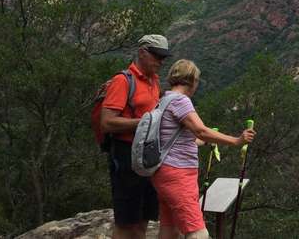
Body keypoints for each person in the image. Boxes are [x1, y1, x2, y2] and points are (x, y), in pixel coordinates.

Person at [154, 59, 255, 239]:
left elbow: (185, 140)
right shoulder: (181, 101)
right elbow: (201, 130)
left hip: (163, 172)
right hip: (179, 175)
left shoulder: (163, 100)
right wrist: (236, 140)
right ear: (193, 80)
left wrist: (206, 141)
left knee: (169, 229)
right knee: (198, 233)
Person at [100, 34, 172, 239]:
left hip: (148, 157)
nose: (160, 61)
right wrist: (145, 123)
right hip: (125, 156)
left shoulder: (154, 81)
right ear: (142, 52)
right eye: (157, 56)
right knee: (125, 221)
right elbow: (106, 123)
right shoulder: (122, 81)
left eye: (163, 57)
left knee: (144, 217)